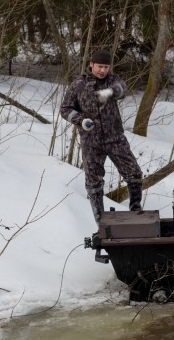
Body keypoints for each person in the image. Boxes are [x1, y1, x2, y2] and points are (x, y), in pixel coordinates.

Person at [60, 49, 143, 225]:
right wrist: (80, 120)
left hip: (115, 137)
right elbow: (65, 109)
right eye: (99, 66)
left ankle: (136, 212)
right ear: (91, 65)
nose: (102, 71)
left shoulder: (113, 80)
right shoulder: (78, 85)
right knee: (93, 182)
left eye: (106, 67)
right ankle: (101, 222)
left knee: (134, 173)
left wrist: (110, 93)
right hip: (91, 141)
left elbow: (122, 89)